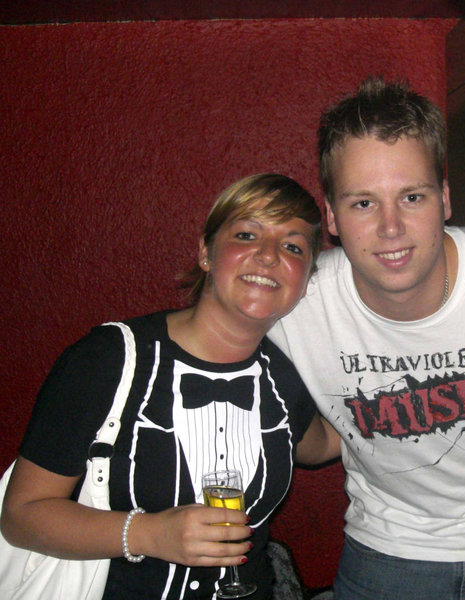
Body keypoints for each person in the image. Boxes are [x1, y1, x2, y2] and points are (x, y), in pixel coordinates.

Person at [267, 76, 465, 600]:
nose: (391, 227)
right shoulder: (297, 303)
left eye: (411, 196)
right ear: (331, 216)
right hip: (385, 554)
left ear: (444, 199)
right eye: (363, 203)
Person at [1, 173, 341, 599]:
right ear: (205, 252)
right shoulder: (108, 359)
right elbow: (21, 516)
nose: (269, 255)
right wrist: (148, 533)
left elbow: (321, 444)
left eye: (293, 247)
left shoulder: (283, 376)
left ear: (306, 280)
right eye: (246, 234)